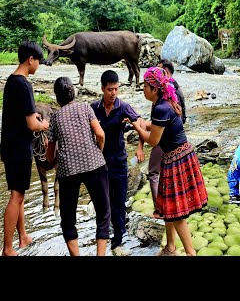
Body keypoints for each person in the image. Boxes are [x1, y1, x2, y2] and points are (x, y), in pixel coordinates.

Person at [130, 66, 207, 256]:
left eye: (145, 87)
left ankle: (190, 253)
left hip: (176, 160)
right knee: (168, 206)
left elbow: (153, 140)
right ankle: (170, 247)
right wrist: (142, 123)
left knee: (178, 212)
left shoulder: (161, 108)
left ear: (154, 89)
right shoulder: (165, 102)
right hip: (181, 155)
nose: (143, 90)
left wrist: (136, 127)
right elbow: (159, 126)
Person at [46, 76, 110, 256]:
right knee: (103, 212)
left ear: (57, 96)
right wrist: (98, 152)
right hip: (95, 165)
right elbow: (100, 134)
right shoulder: (85, 107)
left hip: (68, 172)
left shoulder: (55, 117)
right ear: (73, 91)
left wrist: (51, 160)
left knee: (68, 219)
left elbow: (50, 155)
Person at [1, 40, 49, 256]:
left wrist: (34, 117)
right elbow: (32, 125)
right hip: (19, 148)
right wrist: (44, 124)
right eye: (38, 61)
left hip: (9, 145)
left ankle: (23, 236)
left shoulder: (11, 81)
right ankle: (7, 248)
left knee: (17, 192)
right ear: (31, 59)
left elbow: (20, 115)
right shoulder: (25, 84)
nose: (38, 65)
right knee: (17, 197)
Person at [91, 70, 146, 256]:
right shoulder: (93, 108)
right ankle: (102, 238)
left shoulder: (123, 107)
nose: (113, 93)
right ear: (102, 89)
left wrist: (140, 147)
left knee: (119, 203)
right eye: (110, 89)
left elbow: (142, 123)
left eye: (116, 89)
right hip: (99, 163)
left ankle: (117, 242)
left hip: (119, 163)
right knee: (102, 203)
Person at [147, 59, 186, 219]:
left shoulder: (166, 97)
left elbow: (154, 140)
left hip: (167, 141)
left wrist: (139, 127)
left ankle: (160, 210)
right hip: (175, 140)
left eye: (160, 71)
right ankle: (170, 209)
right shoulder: (171, 90)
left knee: (153, 172)